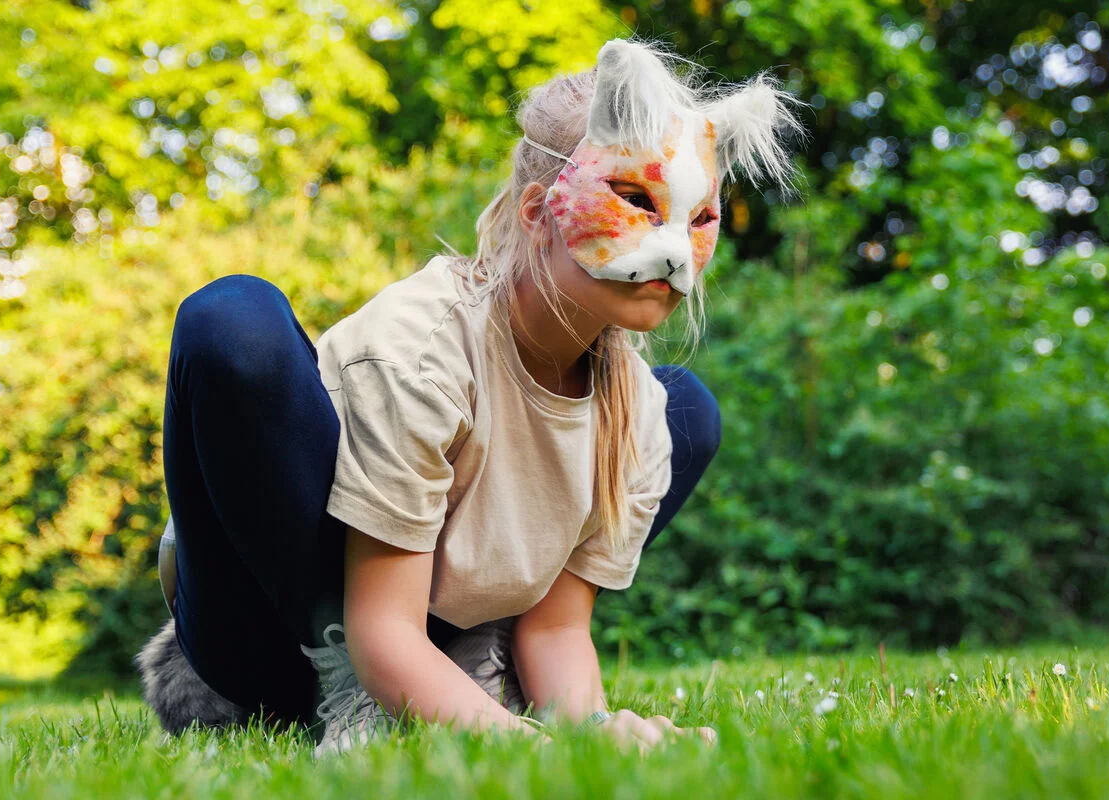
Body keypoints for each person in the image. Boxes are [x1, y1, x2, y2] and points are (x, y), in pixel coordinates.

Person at [136, 36, 803, 757]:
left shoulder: (634, 410)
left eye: (698, 218)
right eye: (634, 200)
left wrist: (589, 734)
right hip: (266, 639)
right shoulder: (423, 347)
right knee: (233, 321)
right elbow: (382, 628)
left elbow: (557, 626)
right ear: (537, 211)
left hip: (422, 628)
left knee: (686, 410)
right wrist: (528, 748)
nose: (672, 249)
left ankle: (467, 664)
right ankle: (368, 693)